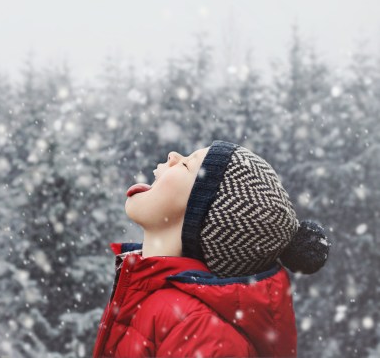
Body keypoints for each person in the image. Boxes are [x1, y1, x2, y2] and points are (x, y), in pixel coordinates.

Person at [92, 140, 331, 358]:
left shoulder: (201, 331)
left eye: (186, 165)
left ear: (203, 220)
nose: (173, 155)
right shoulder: (164, 303)